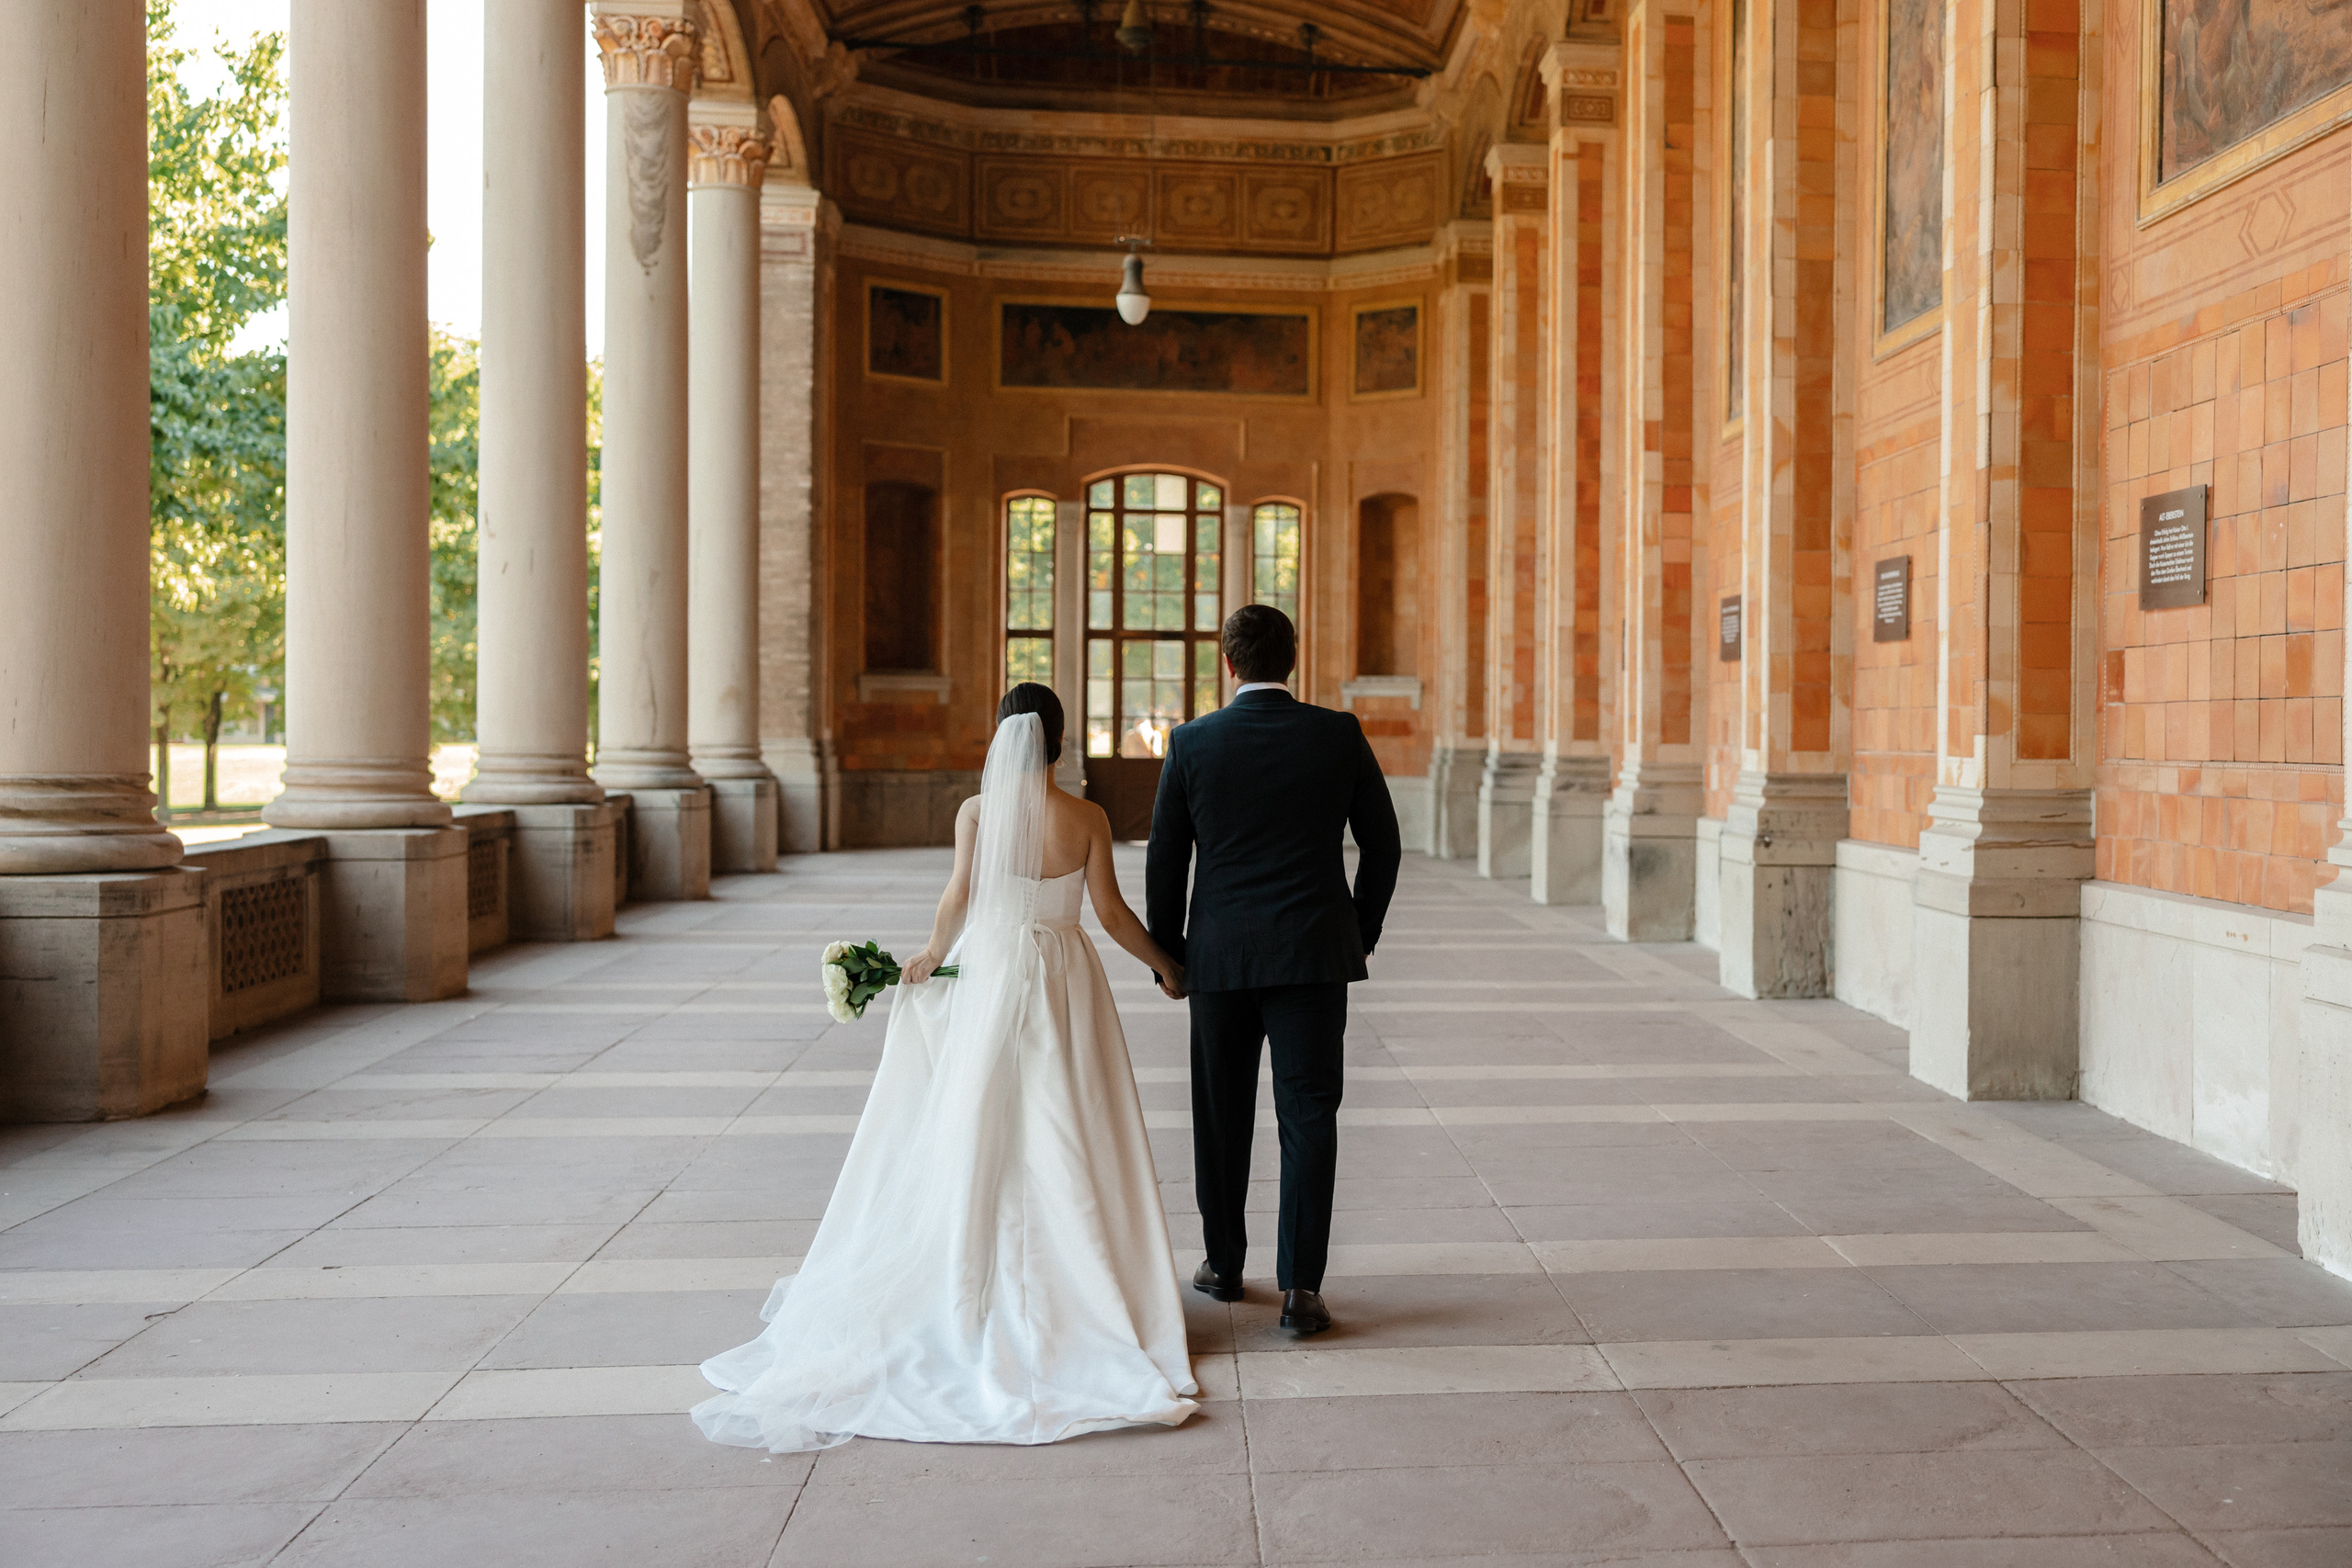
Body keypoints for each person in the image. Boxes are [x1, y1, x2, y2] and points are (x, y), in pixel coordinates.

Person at [692, 683, 1199, 1452]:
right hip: (1062, 981)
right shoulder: (1088, 817)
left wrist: (932, 953)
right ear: (1059, 742)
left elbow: (959, 895)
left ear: (1000, 739)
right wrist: (1166, 963)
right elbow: (1112, 915)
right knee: (1065, 1121)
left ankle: (970, 1276)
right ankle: (1080, 1284)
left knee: (980, 1119)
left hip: (989, 971)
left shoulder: (975, 812)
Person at [1145, 604, 1402, 1336]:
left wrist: (1170, 957)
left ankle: (1224, 1264)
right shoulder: (1337, 734)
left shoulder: (1192, 742)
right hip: (1313, 958)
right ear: (1294, 658)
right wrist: (1358, 933)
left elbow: (1166, 860)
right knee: (1308, 1115)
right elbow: (1383, 845)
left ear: (1229, 664)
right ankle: (1302, 1290)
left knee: (1221, 1116)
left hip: (1219, 960)